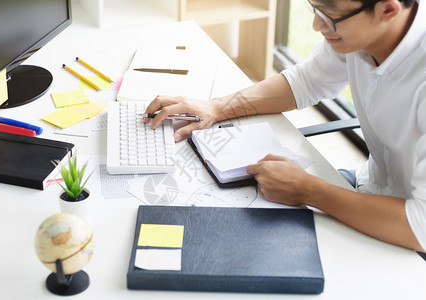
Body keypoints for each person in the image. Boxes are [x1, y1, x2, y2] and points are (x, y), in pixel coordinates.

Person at [144, 0, 425, 252]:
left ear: (388, 9)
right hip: (367, 186)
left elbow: (420, 226)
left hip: (406, 234)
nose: (316, 25)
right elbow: (308, 80)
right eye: (314, 9)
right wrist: (217, 107)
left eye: (329, 15)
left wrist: (308, 189)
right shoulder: (361, 31)